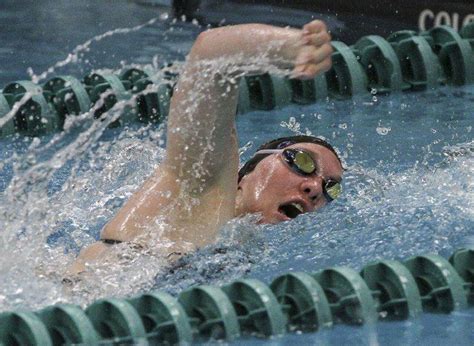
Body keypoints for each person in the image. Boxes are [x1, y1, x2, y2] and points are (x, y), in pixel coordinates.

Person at [69, 19, 342, 274]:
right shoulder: (200, 190)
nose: (315, 188)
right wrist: (290, 45)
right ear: (244, 174)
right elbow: (211, 55)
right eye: (302, 162)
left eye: (331, 187)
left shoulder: (241, 247)